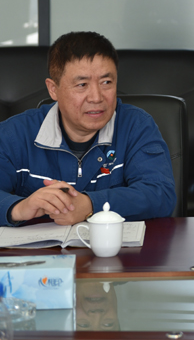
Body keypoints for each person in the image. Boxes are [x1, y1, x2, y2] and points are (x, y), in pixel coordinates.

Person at [0, 31, 176, 227]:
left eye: (106, 82)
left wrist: (91, 205)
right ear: (53, 89)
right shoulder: (15, 134)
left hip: (114, 246)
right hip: (41, 246)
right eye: (82, 84)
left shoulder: (136, 126)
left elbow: (161, 194)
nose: (96, 97)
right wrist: (17, 208)